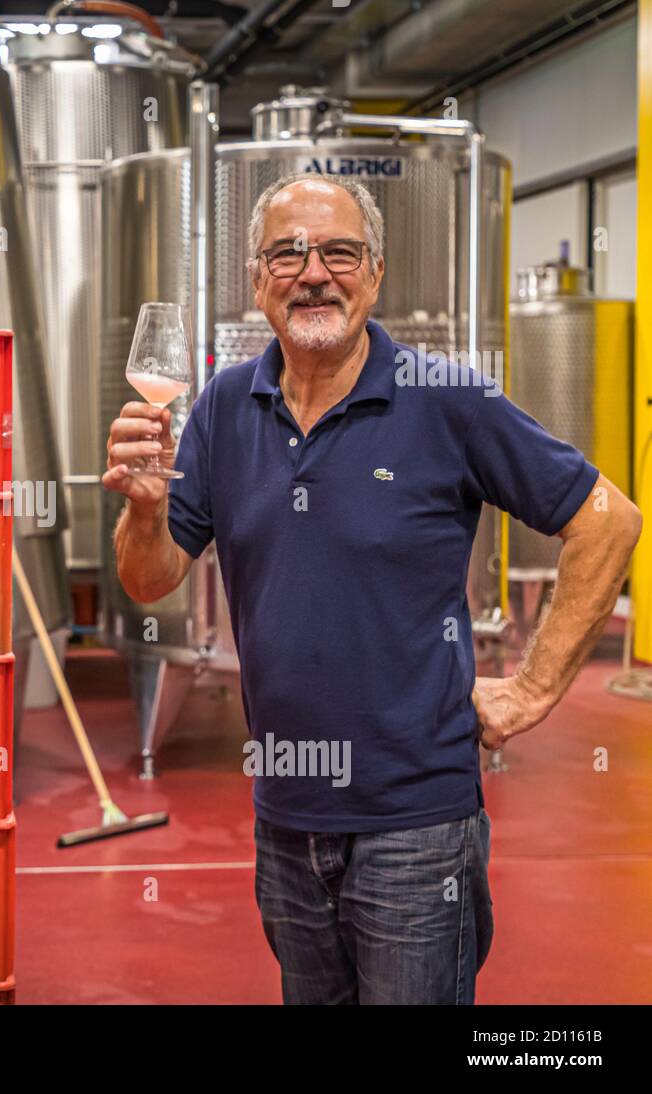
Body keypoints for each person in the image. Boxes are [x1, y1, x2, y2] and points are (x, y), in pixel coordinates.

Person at [103, 173, 643, 1005]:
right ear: (257, 280)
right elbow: (150, 581)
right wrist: (142, 512)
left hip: (417, 828)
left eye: (339, 253)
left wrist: (533, 690)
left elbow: (607, 520)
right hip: (284, 814)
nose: (313, 272)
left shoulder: (446, 399)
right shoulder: (218, 411)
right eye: (287, 253)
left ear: (377, 273)